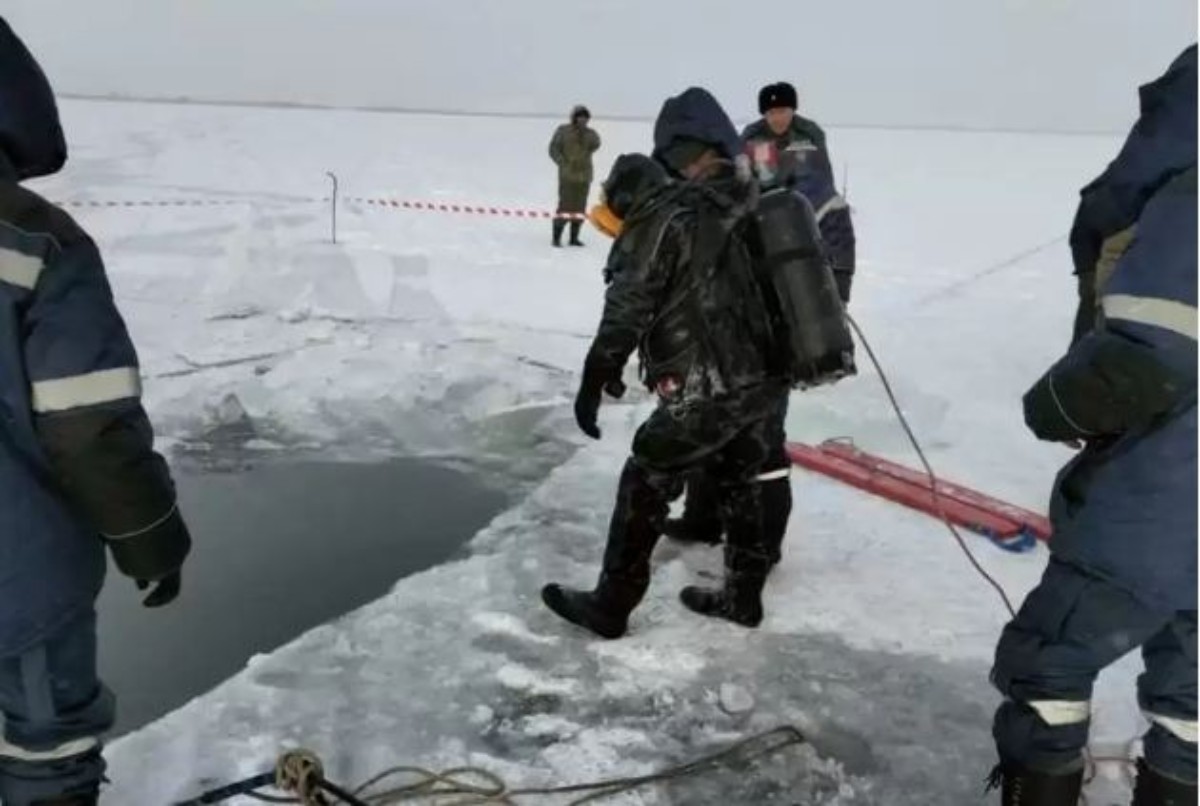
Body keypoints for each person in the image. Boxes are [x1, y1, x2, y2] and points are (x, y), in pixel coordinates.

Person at [988, 44, 1196, 806]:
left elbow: (1149, 356)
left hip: (1162, 504)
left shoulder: (1193, 201)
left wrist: (1055, 406)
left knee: (1049, 663)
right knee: (1193, 694)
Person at [0, 19, 192, 806]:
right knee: (46, 744)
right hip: (18, 576)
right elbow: (87, 425)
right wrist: (150, 538)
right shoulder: (35, 238)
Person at [540, 87, 789, 639]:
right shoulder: (751, 200)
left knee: (646, 474)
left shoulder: (666, 212)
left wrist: (595, 376)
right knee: (738, 474)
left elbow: (628, 304)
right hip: (767, 378)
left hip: (708, 384)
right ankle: (743, 596)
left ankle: (611, 603)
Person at [663, 80, 859, 559]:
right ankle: (704, 517)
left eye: (784, 110)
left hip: (781, 323)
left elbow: (836, 247)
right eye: (771, 112)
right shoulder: (738, 166)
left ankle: (761, 553)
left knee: (764, 441)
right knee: (711, 421)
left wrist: (831, 304)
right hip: (733, 324)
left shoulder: (813, 171)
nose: (777, 118)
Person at [548, 105, 601, 248]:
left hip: (584, 177)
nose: (582, 120)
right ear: (574, 117)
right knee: (565, 206)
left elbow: (596, 144)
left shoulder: (590, 133)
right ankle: (556, 238)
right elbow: (553, 148)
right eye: (580, 116)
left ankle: (574, 238)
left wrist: (585, 134)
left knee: (580, 208)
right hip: (567, 176)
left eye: (585, 117)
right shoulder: (563, 131)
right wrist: (562, 162)